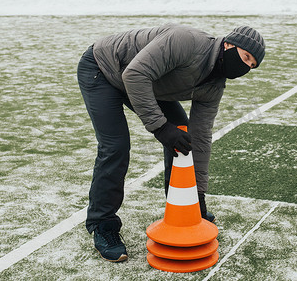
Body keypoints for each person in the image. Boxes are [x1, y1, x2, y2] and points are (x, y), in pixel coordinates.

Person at [77, 24, 265, 262]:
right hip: (103, 69)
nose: (246, 66)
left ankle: (182, 203)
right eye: (246, 57)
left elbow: (201, 138)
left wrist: (198, 192)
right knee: (115, 146)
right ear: (228, 44)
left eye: (252, 66)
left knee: (183, 137)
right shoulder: (186, 41)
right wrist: (160, 127)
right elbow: (134, 75)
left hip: (144, 82)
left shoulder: (214, 87)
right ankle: (103, 225)